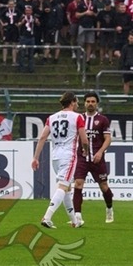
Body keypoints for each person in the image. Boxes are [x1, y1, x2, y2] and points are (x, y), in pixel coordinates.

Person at [31, 92, 88, 229]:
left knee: (67, 188)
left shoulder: (52, 118)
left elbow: (42, 137)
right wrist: (85, 150)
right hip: (69, 156)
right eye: (76, 101)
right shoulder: (78, 117)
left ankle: (74, 221)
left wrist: (35, 157)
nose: (77, 104)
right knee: (63, 186)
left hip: (55, 156)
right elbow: (84, 139)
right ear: (72, 102)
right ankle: (47, 217)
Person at [72, 92, 114, 225]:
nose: (90, 104)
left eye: (93, 101)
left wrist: (100, 152)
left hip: (97, 159)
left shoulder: (102, 120)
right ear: (84, 103)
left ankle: (109, 208)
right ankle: (77, 216)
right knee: (78, 184)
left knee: (104, 186)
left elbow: (108, 139)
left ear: (97, 104)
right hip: (82, 158)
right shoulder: (79, 118)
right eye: (88, 101)